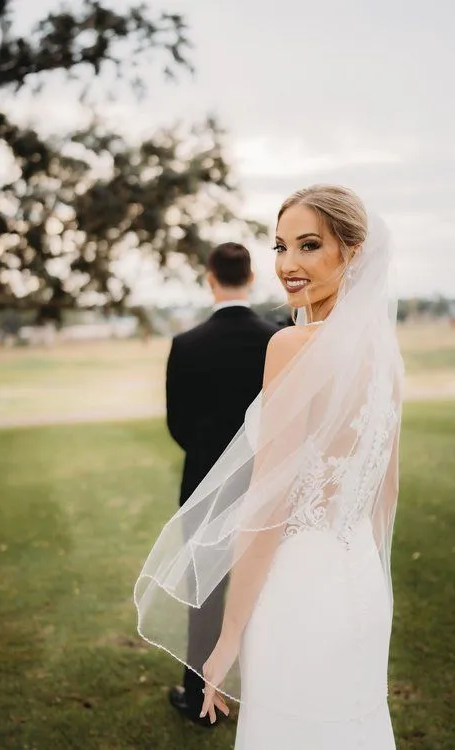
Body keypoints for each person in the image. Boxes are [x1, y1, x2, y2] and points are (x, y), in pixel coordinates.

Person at [135, 185, 404, 749]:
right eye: (280, 247)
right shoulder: (385, 354)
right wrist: (363, 578)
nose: (289, 265)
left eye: (309, 245)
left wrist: (228, 635)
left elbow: (266, 505)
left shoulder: (291, 346)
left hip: (298, 591)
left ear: (353, 253)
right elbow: (384, 495)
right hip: (360, 589)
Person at [165, 241, 279, 724]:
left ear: (211, 277)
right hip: (270, 484)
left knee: (206, 595)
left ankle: (198, 698)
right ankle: (269, 689)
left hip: (205, 487)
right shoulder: (277, 338)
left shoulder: (186, 345)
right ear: (251, 277)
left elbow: (178, 425)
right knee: (269, 588)